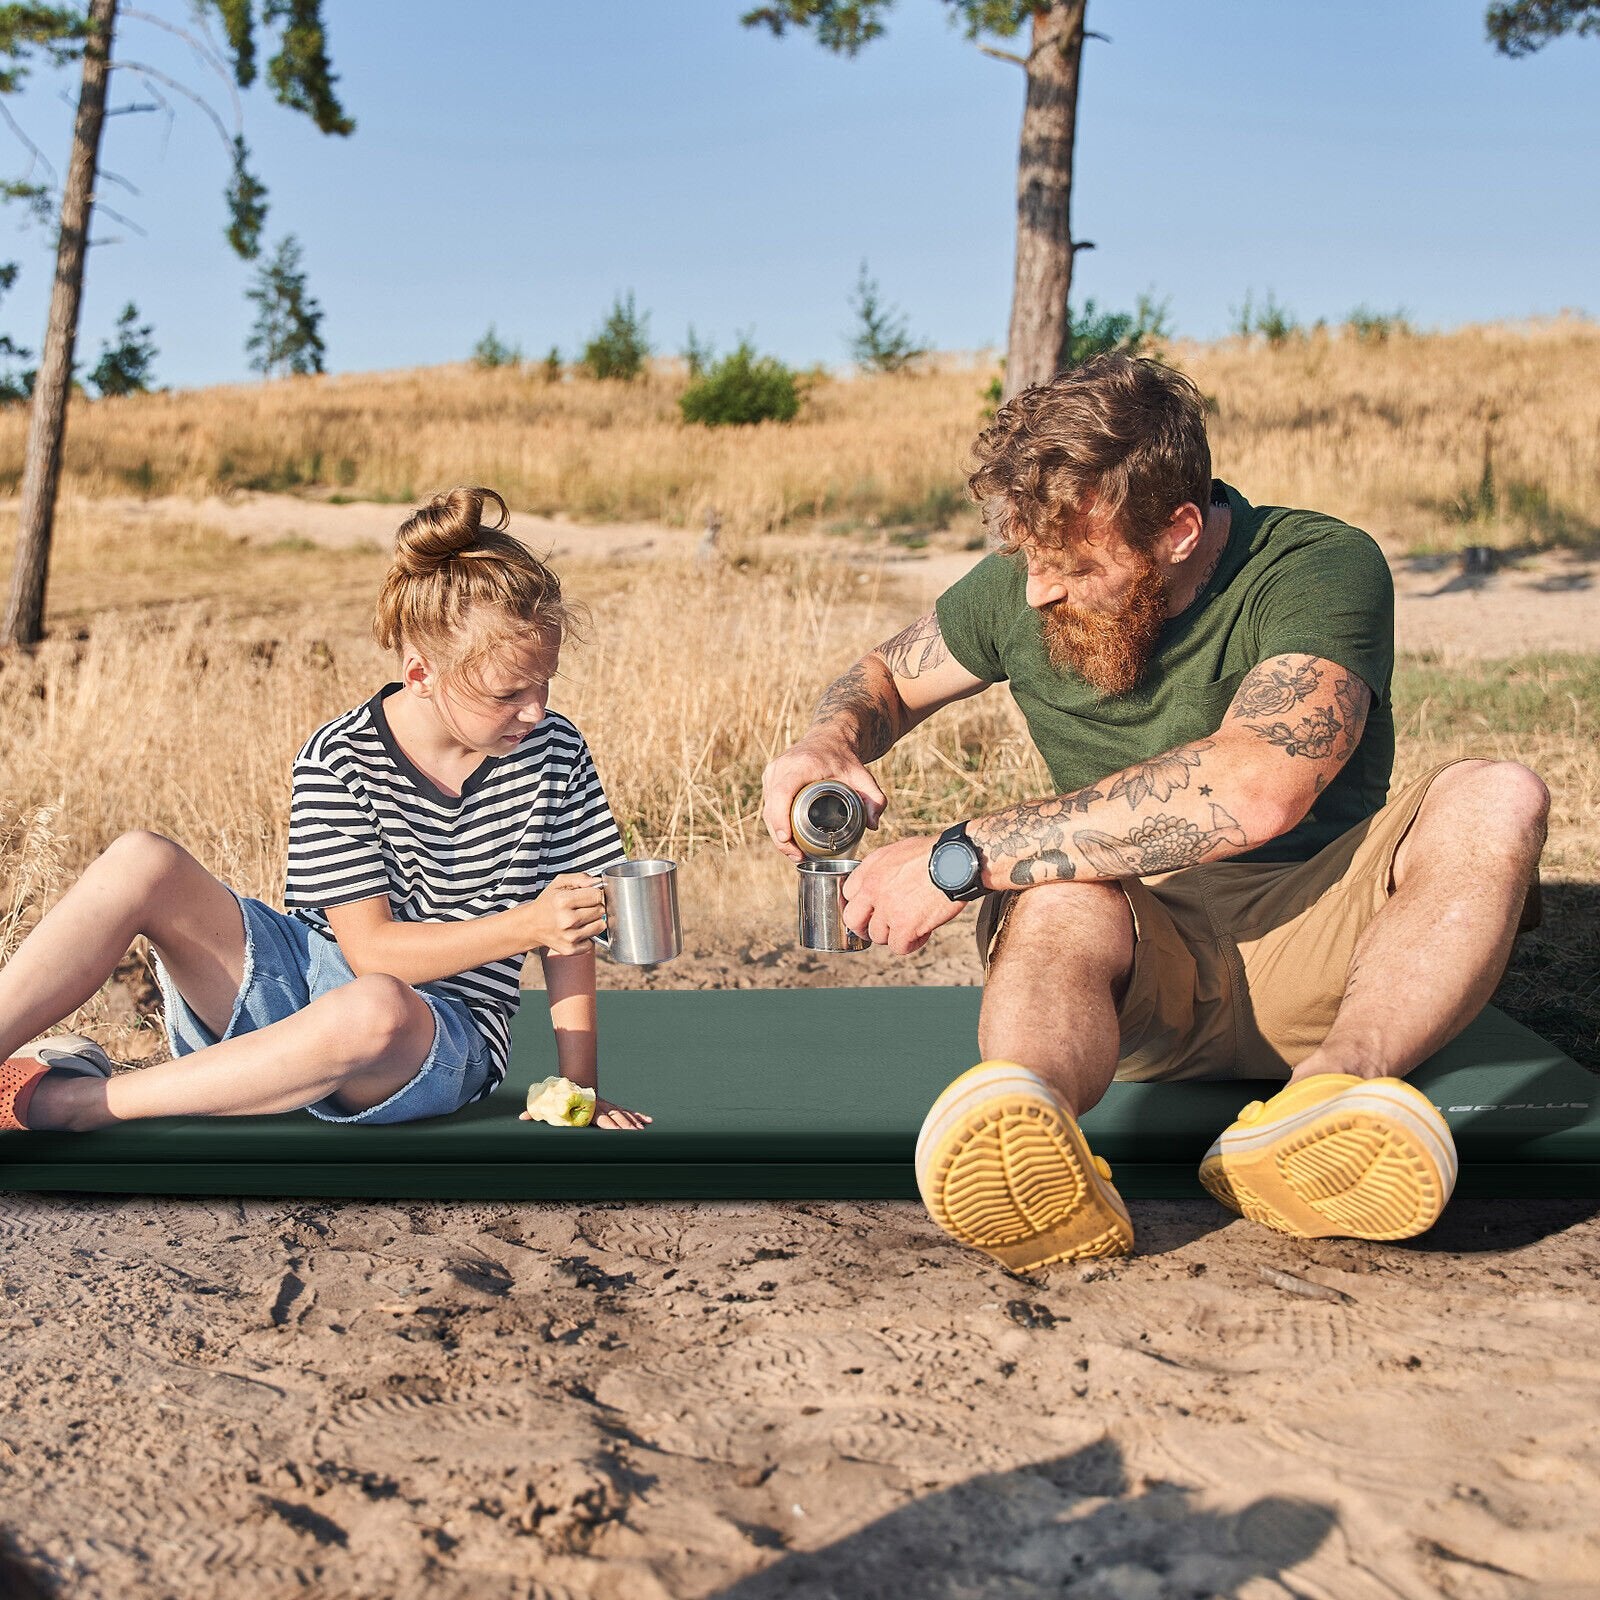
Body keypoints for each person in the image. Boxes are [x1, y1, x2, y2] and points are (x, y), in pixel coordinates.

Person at [762, 355, 1546, 1272]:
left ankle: (1332, 1095)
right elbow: (890, 675)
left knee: (1499, 794)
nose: (1037, 592)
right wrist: (829, 740)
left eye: (1075, 565)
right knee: (1060, 891)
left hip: (1327, 947)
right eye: (1029, 559)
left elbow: (1257, 785)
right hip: (1129, 970)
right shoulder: (1030, 581)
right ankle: (1033, 1134)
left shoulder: (1315, 564)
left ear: (1179, 529)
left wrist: (960, 856)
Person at [0, 486, 650, 1133]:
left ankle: (77, 1104)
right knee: (142, 860)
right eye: (510, 692)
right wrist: (529, 924)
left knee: (376, 1008)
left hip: (434, 1039)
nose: (536, 710)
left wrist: (581, 1088)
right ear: (421, 674)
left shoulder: (556, 751)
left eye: (546, 682)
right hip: (309, 980)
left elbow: (570, 936)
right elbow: (369, 949)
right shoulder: (339, 756)